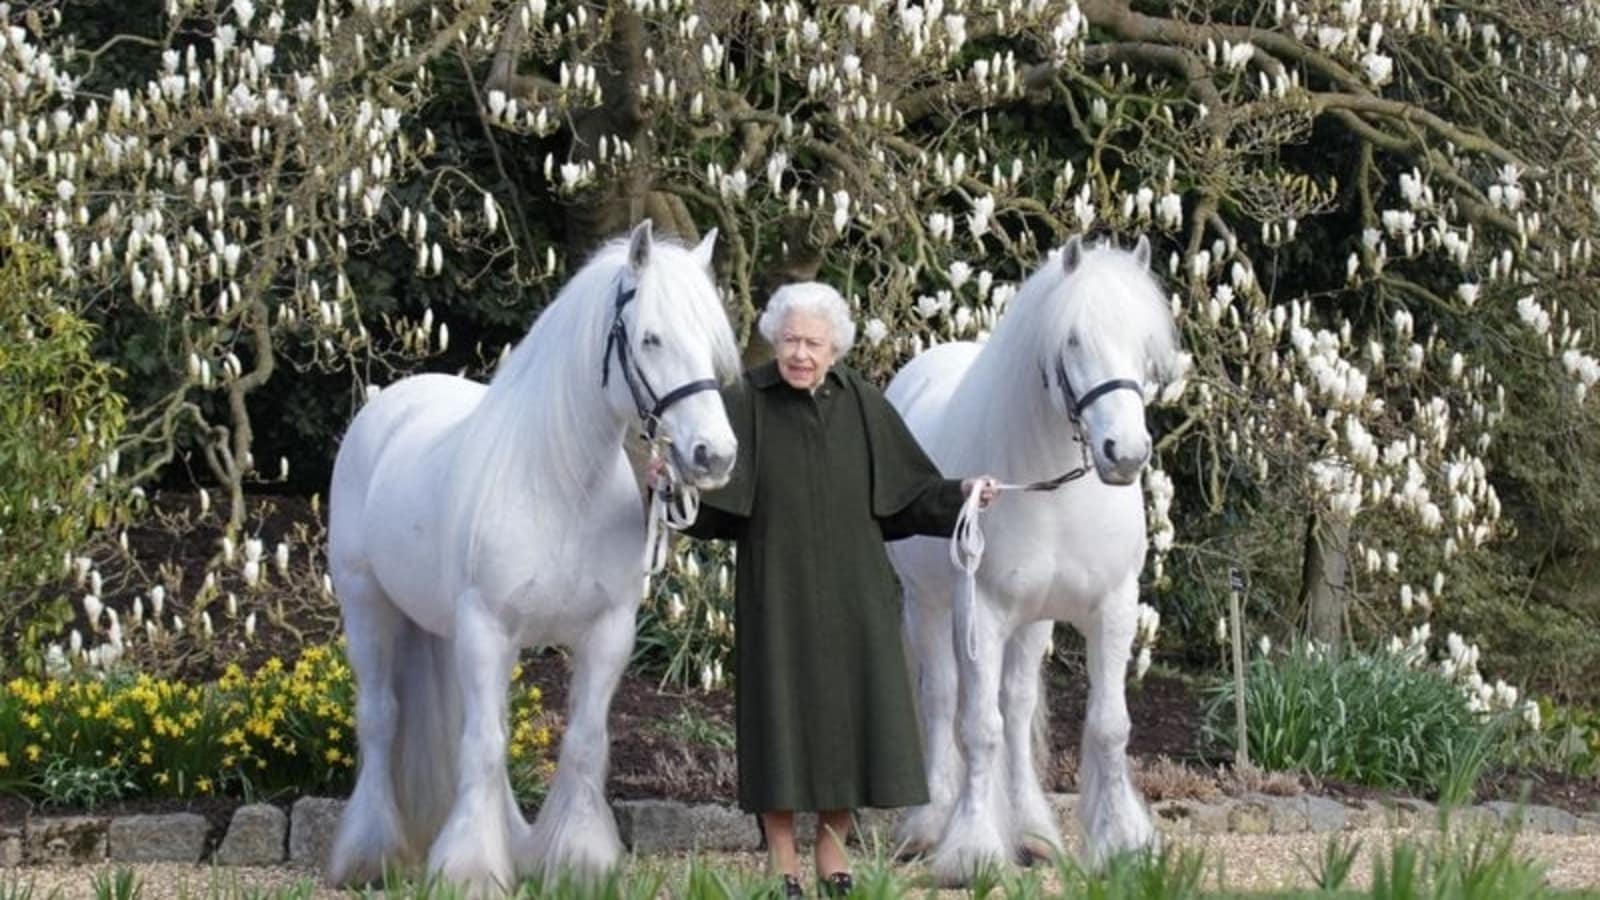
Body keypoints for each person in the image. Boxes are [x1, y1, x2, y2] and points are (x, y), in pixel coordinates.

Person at [677, 281, 997, 897]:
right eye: (791, 340)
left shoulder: (865, 404)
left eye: (814, 343)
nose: (801, 354)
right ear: (774, 339)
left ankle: (832, 847)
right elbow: (711, 506)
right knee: (779, 722)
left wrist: (963, 493)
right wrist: (673, 489)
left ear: (836, 349)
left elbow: (908, 497)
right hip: (777, 590)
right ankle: (781, 858)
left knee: (857, 719)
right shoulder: (742, 400)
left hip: (857, 596)